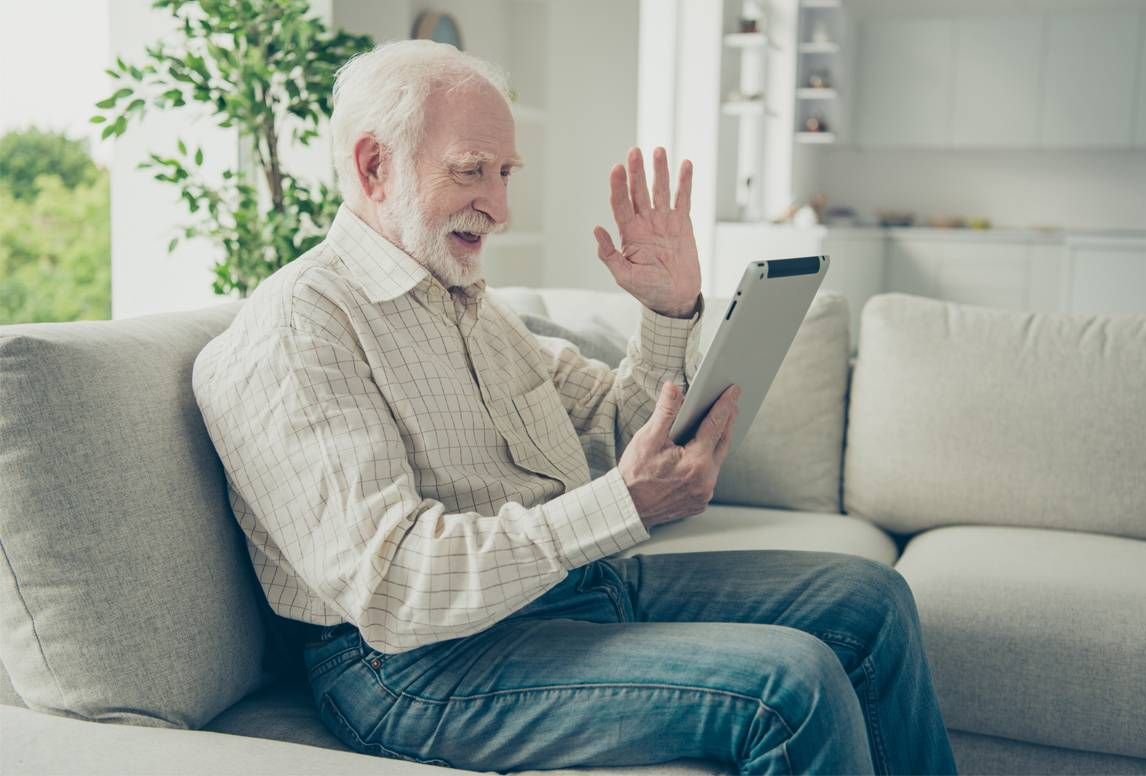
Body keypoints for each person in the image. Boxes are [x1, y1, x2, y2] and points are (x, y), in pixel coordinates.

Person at [192, 39, 956, 774]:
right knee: (791, 685)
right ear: (373, 165)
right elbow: (394, 587)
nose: (498, 207)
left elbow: (613, 428)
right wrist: (619, 505)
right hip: (411, 668)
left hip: (555, 594)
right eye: (471, 173)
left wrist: (669, 310)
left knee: (870, 599)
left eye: (504, 173)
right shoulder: (303, 328)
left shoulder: (464, 301)